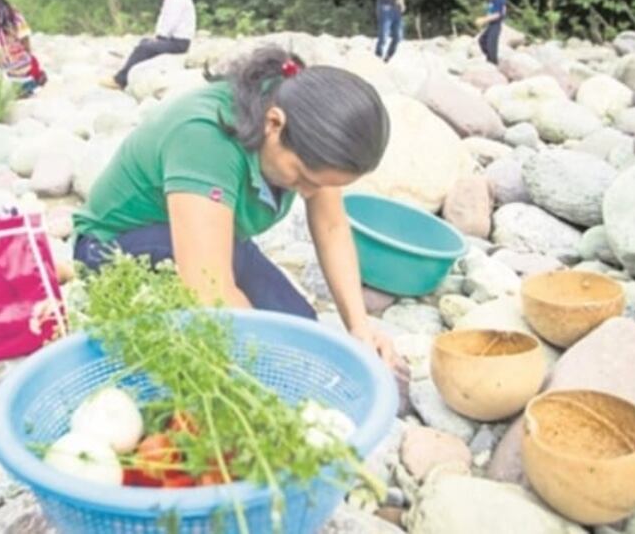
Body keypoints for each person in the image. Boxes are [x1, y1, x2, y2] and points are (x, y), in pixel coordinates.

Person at [74, 45, 402, 371]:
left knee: (303, 329)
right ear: (274, 124)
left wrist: (359, 326)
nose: (310, 192)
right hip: (116, 246)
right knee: (265, 354)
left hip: (207, 236)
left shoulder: (303, 122)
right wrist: (263, 369)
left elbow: (332, 228)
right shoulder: (205, 140)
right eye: (303, 177)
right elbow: (209, 291)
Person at [101, 0, 196, 90]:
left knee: (144, 48)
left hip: (178, 42)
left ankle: (120, 80)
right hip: (174, 40)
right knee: (145, 43)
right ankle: (130, 76)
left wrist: (159, 38)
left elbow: (170, 23)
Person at [475, 0, 507, 65]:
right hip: (491, 25)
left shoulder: (499, 0)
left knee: (491, 44)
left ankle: (493, 62)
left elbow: (497, 14)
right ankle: (489, 59)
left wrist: (483, 20)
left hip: (495, 26)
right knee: (482, 40)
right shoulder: (493, 0)